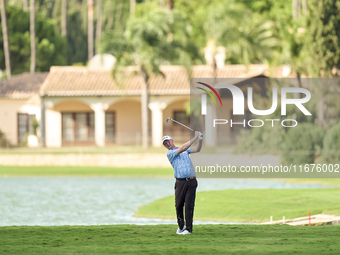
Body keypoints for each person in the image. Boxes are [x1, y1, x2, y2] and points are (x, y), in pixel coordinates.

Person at [162, 131, 203, 235]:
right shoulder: (170, 153)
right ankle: (181, 226)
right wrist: (195, 137)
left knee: (189, 205)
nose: (167, 144)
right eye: (165, 143)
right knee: (179, 205)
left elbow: (197, 149)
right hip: (180, 182)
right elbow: (183, 148)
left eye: (168, 141)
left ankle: (188, 229)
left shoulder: (184, 149)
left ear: (172, 140)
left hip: (192, 181)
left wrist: (200, 139)